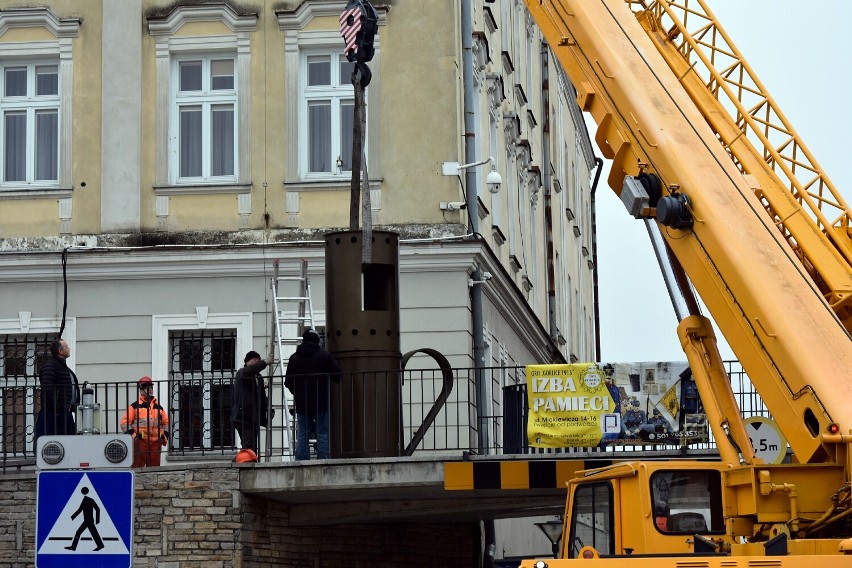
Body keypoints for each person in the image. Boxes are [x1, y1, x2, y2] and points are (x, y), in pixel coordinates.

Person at [285, 329, 341, 461]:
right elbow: (337, 376)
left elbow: (288, 381)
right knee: (322, 432)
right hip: (322, 400)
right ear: (317, 341)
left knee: (303, 433)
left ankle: (302, 461)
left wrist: (297, 392)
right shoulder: (324, 356)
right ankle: (323, 460)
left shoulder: (294, 358)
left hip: (302, 402)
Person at [36, 338, 80, 440]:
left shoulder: (62, 366)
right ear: (60, 351)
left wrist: (72, 406)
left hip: (64, 411)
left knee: (69, 442)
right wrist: (57, 407)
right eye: (66, 347)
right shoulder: (51, 365)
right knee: (54, 443)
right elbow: (47, 386)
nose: (69, 349)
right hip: (54, 413)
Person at [121, 376, 169, 468]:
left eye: (151, 387)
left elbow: (166, 423)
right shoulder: (134, 407)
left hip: (156, 443)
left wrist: (164, 437)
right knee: (138, 469)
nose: (150, 390)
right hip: (140, 443)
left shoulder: (159, 407)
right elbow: (124, 423)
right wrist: (134, 437)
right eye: (147, 387)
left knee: (154, 471)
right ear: (141, 390)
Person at [231, 350, 271, 459]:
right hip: (242, 417)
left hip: (252, 418)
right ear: (247, 361)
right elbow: (249, 372)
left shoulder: (258, 378)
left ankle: (248, 464)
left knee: (252, 447)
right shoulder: (242, 372)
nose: (257, 362)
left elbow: (261, 398)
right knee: (249, 446)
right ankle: (243, 465)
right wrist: (264, 362)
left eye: (258, 360)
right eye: (254, 360)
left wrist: (268, 409)